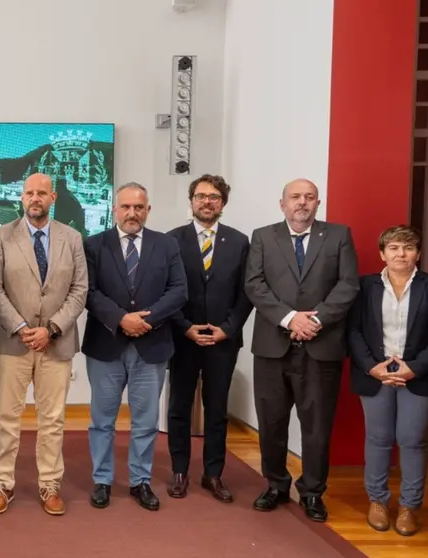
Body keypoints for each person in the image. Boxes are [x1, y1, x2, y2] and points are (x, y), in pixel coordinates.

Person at [244, 178, 359, 522]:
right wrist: (290, 318)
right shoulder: (263, 236)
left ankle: (312, 492)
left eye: (309, 197)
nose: (302, 203)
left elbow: (348, 284)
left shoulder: (338, 236)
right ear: (282, 204)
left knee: (317, 426)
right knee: (272, 423)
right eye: (295, 197)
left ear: (318, 203)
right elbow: (254, 284)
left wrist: (315, 321)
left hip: (320, 347)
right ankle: (276, 485)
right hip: (272, 347)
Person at [0, 173, 88, 516]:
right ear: (22, 197)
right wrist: (22, 326)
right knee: (7, 418)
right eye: (29, 192)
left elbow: (79, 290)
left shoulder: (72, 238)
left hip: (55, 344)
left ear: (53, 197)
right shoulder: (2, 236)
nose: (35, 198)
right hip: (13, 342)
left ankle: (50, 484)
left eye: (42, 192)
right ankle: (3, 484)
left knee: (53, 419)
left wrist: (52, 328)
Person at [82, 182, 187, 512]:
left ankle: (140, 480)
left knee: (145, 421)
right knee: (102, 420)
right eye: (125, 207)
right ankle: (102, 480)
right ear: (115, 210)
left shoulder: (166, 245)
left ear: (148, 210)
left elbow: (179, 290)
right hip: (106, 345)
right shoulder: (94, 245)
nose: (132, 213)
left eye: (138, 207)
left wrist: (148, 320)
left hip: (151, 344)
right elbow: (88, 291)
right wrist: (120, 319)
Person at [347, 225, 428, 536]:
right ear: (383, 254)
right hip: (376, 373)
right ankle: (378, 501)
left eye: (407, 248)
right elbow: (353, 331)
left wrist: (413, 368)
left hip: (418, 375)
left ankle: (408, 506)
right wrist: (372, 367)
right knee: (378, 439)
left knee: (412, 439)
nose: (400, 254)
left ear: (417, 253)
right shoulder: (365, 286)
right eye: (393, 248)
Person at [165, 175, 252, 502]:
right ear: (191, 201)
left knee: (217, 409)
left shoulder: (240, 241)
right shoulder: (171, 240)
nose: (207, 202)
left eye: (214, 197)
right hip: (183, 337)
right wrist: (184, 325)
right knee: (179, 407)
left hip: (223, 340)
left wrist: (227, 328)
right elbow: (166, 290)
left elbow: (247, 292)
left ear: (223, 203)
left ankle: (213, 474)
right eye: (200, 196)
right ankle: (179, 470)